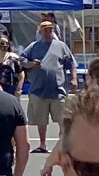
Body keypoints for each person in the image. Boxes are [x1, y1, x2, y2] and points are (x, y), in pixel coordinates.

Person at [19, 17, 75, 155]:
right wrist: (32, 64)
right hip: (38, 90)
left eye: (50, 30)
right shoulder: (33, 46)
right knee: (41, 120)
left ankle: (62, 145)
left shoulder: (61, 46)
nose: (48, 32)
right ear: (40, 32)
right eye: (45, 30)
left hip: (58, 89)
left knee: (62, 119)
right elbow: (22, 61)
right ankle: (42, 144)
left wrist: (74, 79)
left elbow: (71, 64)